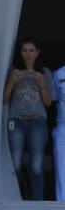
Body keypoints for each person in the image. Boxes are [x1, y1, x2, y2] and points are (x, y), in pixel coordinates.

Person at [3, 36, 52, 200]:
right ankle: (16, 199)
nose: (28, 54)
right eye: (25, 50)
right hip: (16, 121)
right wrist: (11, 81)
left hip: (37, 121)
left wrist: (42, 84)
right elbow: (3, 99)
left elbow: (48, 102)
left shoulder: (44, 72)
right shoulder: (13, 71)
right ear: (20, 52)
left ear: (38, 52)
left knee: (37, 165)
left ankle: (37, 202)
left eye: (31, 50)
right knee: (15, 163)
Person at [53, 64, 65, 201]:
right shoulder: (59, 73)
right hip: (63, 125)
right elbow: (53, 97)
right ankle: (62, 203)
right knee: (62, 167)